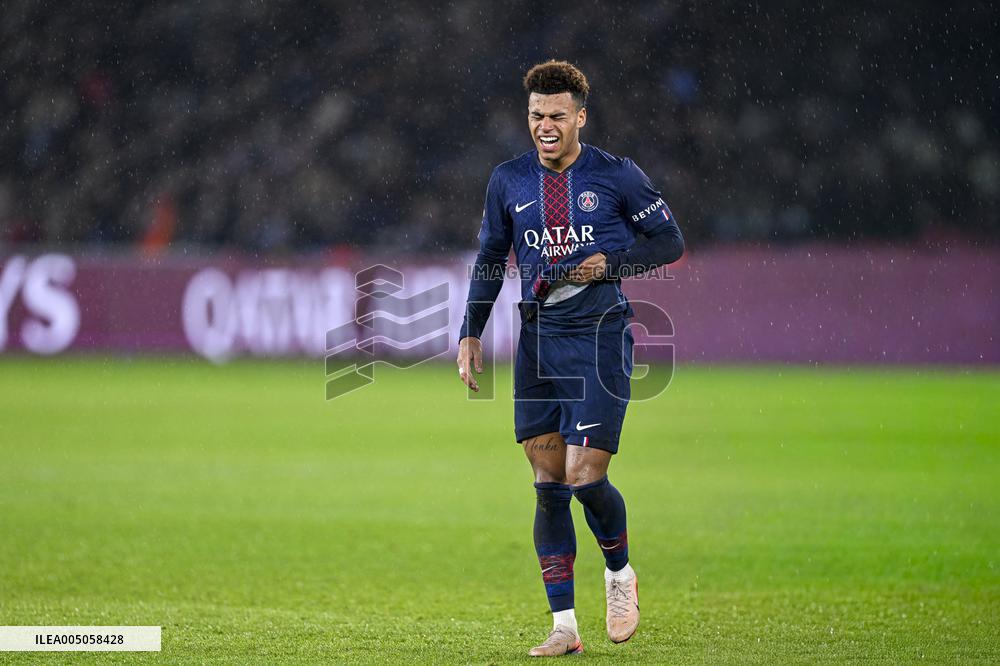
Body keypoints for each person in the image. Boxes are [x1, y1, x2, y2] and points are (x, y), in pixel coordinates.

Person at [456, 60, 684, 657]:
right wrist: (469, 332)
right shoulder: (507, 180)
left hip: (599, 335)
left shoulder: (616, 175)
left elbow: (669, 241)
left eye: (558, 115)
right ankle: (564, 627)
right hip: (537, 343)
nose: (546, 126)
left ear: (580, 117)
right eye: (536, 115)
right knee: (547, 481)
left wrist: (611, 263)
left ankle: (619, 575)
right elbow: (489, 255)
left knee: (587, 474)